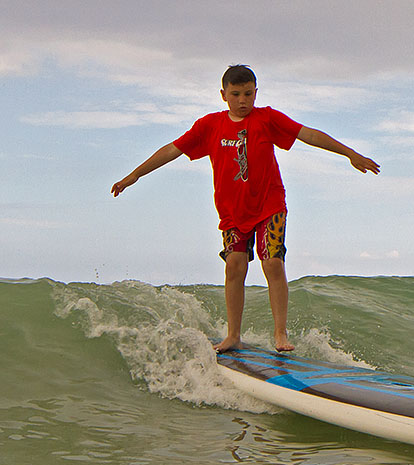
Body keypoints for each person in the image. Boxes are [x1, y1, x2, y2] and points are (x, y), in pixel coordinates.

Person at [111, 65, 379, 353]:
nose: (243, 100)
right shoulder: (210, 125)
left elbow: (308, 134)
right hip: (232, 211)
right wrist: (135, 175)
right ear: (223, 94)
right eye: (236, 94)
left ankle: (280, 334)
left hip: (269, 204)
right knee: (234, 266)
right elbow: (171, 150)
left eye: (249, 94)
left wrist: (350, 153)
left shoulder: (267, 119)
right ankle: (233, 335)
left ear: (256, 93)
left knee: (272, 262)